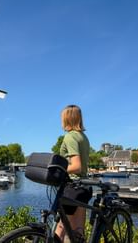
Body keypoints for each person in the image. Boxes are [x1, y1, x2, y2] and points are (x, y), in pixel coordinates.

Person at [55, 104, 91, 243]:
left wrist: (57, 170)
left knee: (59, 230)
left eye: (62, 118)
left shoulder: (70, 137)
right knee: (78, 233)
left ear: (67, 119)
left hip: (72, 188)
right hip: (84, 187)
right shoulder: (83, 136)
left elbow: (76, 166)